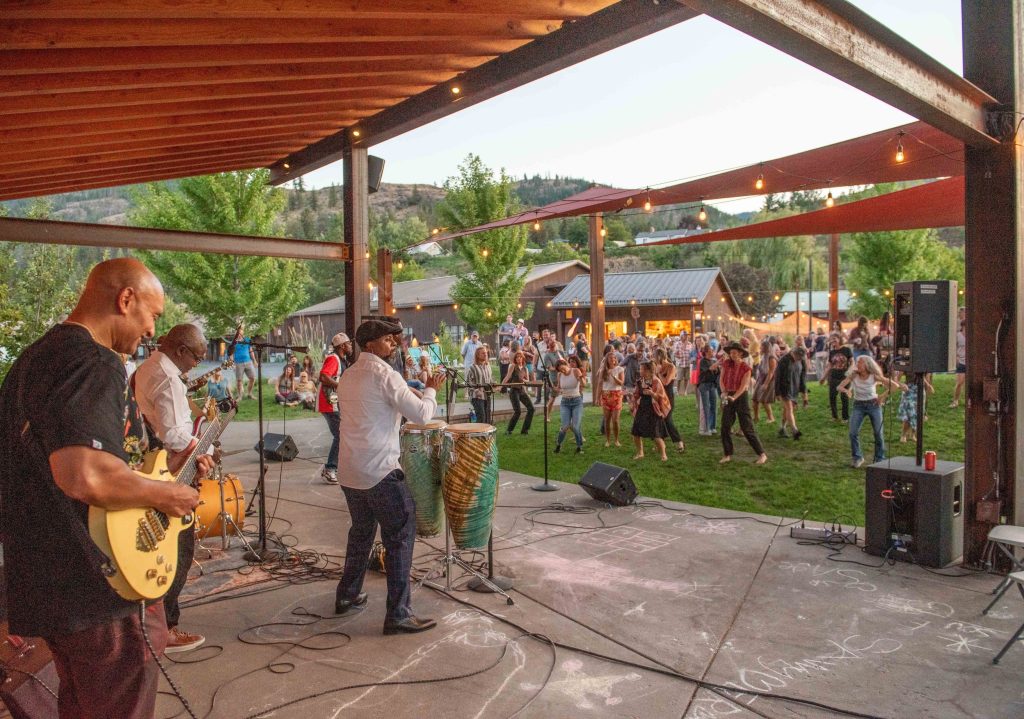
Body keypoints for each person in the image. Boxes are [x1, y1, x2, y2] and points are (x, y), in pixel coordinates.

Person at [0, 258, 199, 718]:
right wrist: (169, 495)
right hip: (96, 582)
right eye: (152, 314)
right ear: (125, 299)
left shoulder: (34, 359)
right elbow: (84, 474)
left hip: (49, 578)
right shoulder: (93, 360)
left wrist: (157, 474)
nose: (152, 330)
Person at [334, 319, 444, 634]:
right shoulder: (385, 375)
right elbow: (422, 415)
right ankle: (398, 614)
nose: (393, 344)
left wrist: (408, 391)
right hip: (380, 470)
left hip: (350, 470)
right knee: (399, 536)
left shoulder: (349, 375)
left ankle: (347, 595)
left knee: (361, 533)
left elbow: (376, 403)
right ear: (370, 344)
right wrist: (431, 390)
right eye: (387, 339)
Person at [134, 323, 216, 654]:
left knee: (161, 546)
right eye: (197, 356)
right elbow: (172, 434)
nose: (198, 363)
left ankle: (152, 626)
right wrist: (204, 446)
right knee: (178, 550)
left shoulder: (149, 367)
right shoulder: (167, 378)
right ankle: (165, 628)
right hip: (169, 470)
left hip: (154, 466)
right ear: (181, 350)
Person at [838, 355, 906, 468]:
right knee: (853, 432)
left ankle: (880, 458)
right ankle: (857, 457)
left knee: (878, 433)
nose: (857, 364)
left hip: (873, 405)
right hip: (858, 406)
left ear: (867, 364)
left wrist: (882, 397)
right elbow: (839, 387)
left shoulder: (874, 376)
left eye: (860, 362)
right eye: (857, 362)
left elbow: (894, 386)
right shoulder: (853, 375)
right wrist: (846, 391)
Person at [717, 342, 768, 465]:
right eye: (731, 352)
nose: (732, 355)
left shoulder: (746, 368)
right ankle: (727, 454)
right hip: (728, 395)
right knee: (725, 426)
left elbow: (744, 386)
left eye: (734, 352)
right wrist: (724, 392)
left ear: (740, 354)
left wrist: (734, 397)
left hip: (741, 397)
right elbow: (721, 379)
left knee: (747, 428)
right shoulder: (726, 364)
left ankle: (762, 454)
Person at [318, 332, 353, 484]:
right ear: (342, 346)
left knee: (343, 434)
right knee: (341, 434)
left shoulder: (342, 360)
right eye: (349, 344)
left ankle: (337, 467)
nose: (351, 346)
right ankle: (330, 468)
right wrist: (341, 386)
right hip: (329, 403)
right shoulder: (333, 358)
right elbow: (323, 376)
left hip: (335, 403)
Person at [630, 361, 669, 461]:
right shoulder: (640, 381)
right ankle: (640, 453)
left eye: (641, 369)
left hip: (653, 410)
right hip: (642, 408)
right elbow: (636, 394)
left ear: (648, 371)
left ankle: (663, 454)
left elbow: (661, 398)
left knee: (656, 434)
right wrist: (632, 398)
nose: (640, 371)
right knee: (636, 433)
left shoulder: (656, 381)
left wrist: (652, 393)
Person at [653, 348, 685, 452]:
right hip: (658, 396)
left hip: (668, 397)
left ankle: (679, 442)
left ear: (659, 357)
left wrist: (659, 373)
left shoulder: (671, 367)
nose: (653, 359)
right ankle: (660, 443)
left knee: (667, 419)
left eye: (654, 357)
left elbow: (666, 382)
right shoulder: (656, 366)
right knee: (658, 419)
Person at [553, 357, 586, 454]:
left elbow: (584, 384)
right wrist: (555, 389)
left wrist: (581, 378)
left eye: (563, 368)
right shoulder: (559, 375)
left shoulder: (575, 371)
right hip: (565, 402)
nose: (562, 371)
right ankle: (558, 445)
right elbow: (559, 388)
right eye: (560, 370)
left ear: (566, 364)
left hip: (576, 401)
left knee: (575, 427)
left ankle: (579, 447)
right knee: (565, 426)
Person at [775, 346, 807, 439]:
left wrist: (804, 393)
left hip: (795, 388)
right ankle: (794, 430)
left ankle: (782, 428)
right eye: (798, 356)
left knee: (787, 409)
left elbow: (802, 378)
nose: (799, 359)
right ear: (793, 353)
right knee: (789, 408)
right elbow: (777, 377)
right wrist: (777, 392)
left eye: (801, 357)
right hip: (784, 388)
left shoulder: (802, 361)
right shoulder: (783, 361)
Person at [822, 334, 853, 422]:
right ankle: (834, 417)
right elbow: (829, 366)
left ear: (839, 339)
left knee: (844, 397)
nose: (833, 341)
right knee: (832, 397)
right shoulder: (832, 352)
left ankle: (845, 418)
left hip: (844, 376)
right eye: (831, 339)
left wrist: (850, 370)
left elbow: (852, 362)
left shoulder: (846, 349)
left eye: (834, 339)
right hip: (833, 376)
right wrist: (823, 377)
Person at [502, 350, 534, 435]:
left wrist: (524, 381)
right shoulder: (513, 366)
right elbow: (507, 377)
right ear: (515, 358)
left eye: (520, 357)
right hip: (514, 391)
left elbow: (527, 380)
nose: (518, 358)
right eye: (517, 357)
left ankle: (525, 430)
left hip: (522, 390)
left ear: (523, 358)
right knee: (518, 411)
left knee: (531, 408)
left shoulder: (525, 368)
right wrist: (501, 386)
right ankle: (509, 430)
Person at [596, 351, 625, 447]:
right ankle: (608, 440)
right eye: (610, 358)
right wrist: (597, 397)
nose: (613, 359)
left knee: (615, 420)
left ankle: (616, 440)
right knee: (607, 419)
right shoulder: (603, 370)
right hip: (606, 395)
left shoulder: (620, 369)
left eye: (614, 358)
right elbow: (599, 384)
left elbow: (621, 383)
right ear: (607, 360)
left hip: (617, 395)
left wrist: (613, 376)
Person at [898, 372, 934, 443]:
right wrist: (901, 385)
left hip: (920, 389)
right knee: (909, 413)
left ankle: (913, 434)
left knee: (919, 413)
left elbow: (921, 377)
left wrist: (928, 385)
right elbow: (896, 379)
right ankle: (903, 435)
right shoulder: (907, 366)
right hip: (908, 390)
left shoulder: (923, 367)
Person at [752, 337, 777, 423]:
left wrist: (766, 384)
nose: (760, 348)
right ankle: (756, 417)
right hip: (760, 379)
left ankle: (771, 418)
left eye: (761, 347)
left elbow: (771, 372)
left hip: (768, 381)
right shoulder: (763, 356)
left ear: (766, 348)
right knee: (755, 399)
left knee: (765, 401)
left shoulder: (771, 358)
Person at [696, 344, 720, 435]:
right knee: (706, 407)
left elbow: (717, 372)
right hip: (704, 385)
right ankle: (706, 428)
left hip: (712, 385)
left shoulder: (713, 360)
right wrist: (718, 362)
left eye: (713, 350)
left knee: (714, 406)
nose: (712, 352)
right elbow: (710, 368)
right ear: (706, 352)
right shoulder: (703, 361)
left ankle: (712, 426)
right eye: (710, 351)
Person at [466, 345, 493, 424]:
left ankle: (486, 432)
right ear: (477, 355)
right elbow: (468, 382)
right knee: (481, 417)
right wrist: (476, 390)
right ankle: (478, 432)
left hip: (487, 395)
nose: (485, 354)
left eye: (486, 353)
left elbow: (490, 379)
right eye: (483, 353)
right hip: (477, 397)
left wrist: (494, 385)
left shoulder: (488, 366)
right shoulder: (473, 367)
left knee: (487, 417)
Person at [541, 338, 565, 419]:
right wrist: (559, 368)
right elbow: (550, 368)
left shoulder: (560, 352)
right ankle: (547, 416)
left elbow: (566, 362)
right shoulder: (547, 355)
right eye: (550, 341)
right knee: (552, 398)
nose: (553, 342)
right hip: (554, 379)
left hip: (564, 377)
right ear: (548, 344)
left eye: (554, 341)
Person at [231, 324, 258, 400]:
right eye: (238, 332)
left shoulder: (247, 340)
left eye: (241, 331)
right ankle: (240, 396)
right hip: (238, 363)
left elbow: (251, 351)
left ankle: (249, 393)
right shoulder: (234, 342)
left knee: (252, 378)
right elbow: (231, 354)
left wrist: (254, 361)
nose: (239, 333)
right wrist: (232, 363)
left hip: (248, 362)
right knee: (239, 380)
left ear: (243, 332)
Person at [951, 318, 966, 408]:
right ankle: (955, 401)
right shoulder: (958, 335)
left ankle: (969, 401)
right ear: (963, 326)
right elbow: (954, 347)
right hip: (961, 361)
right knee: (960, 382)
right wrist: (956, 357)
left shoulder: (972, 335)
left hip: (970, 362)